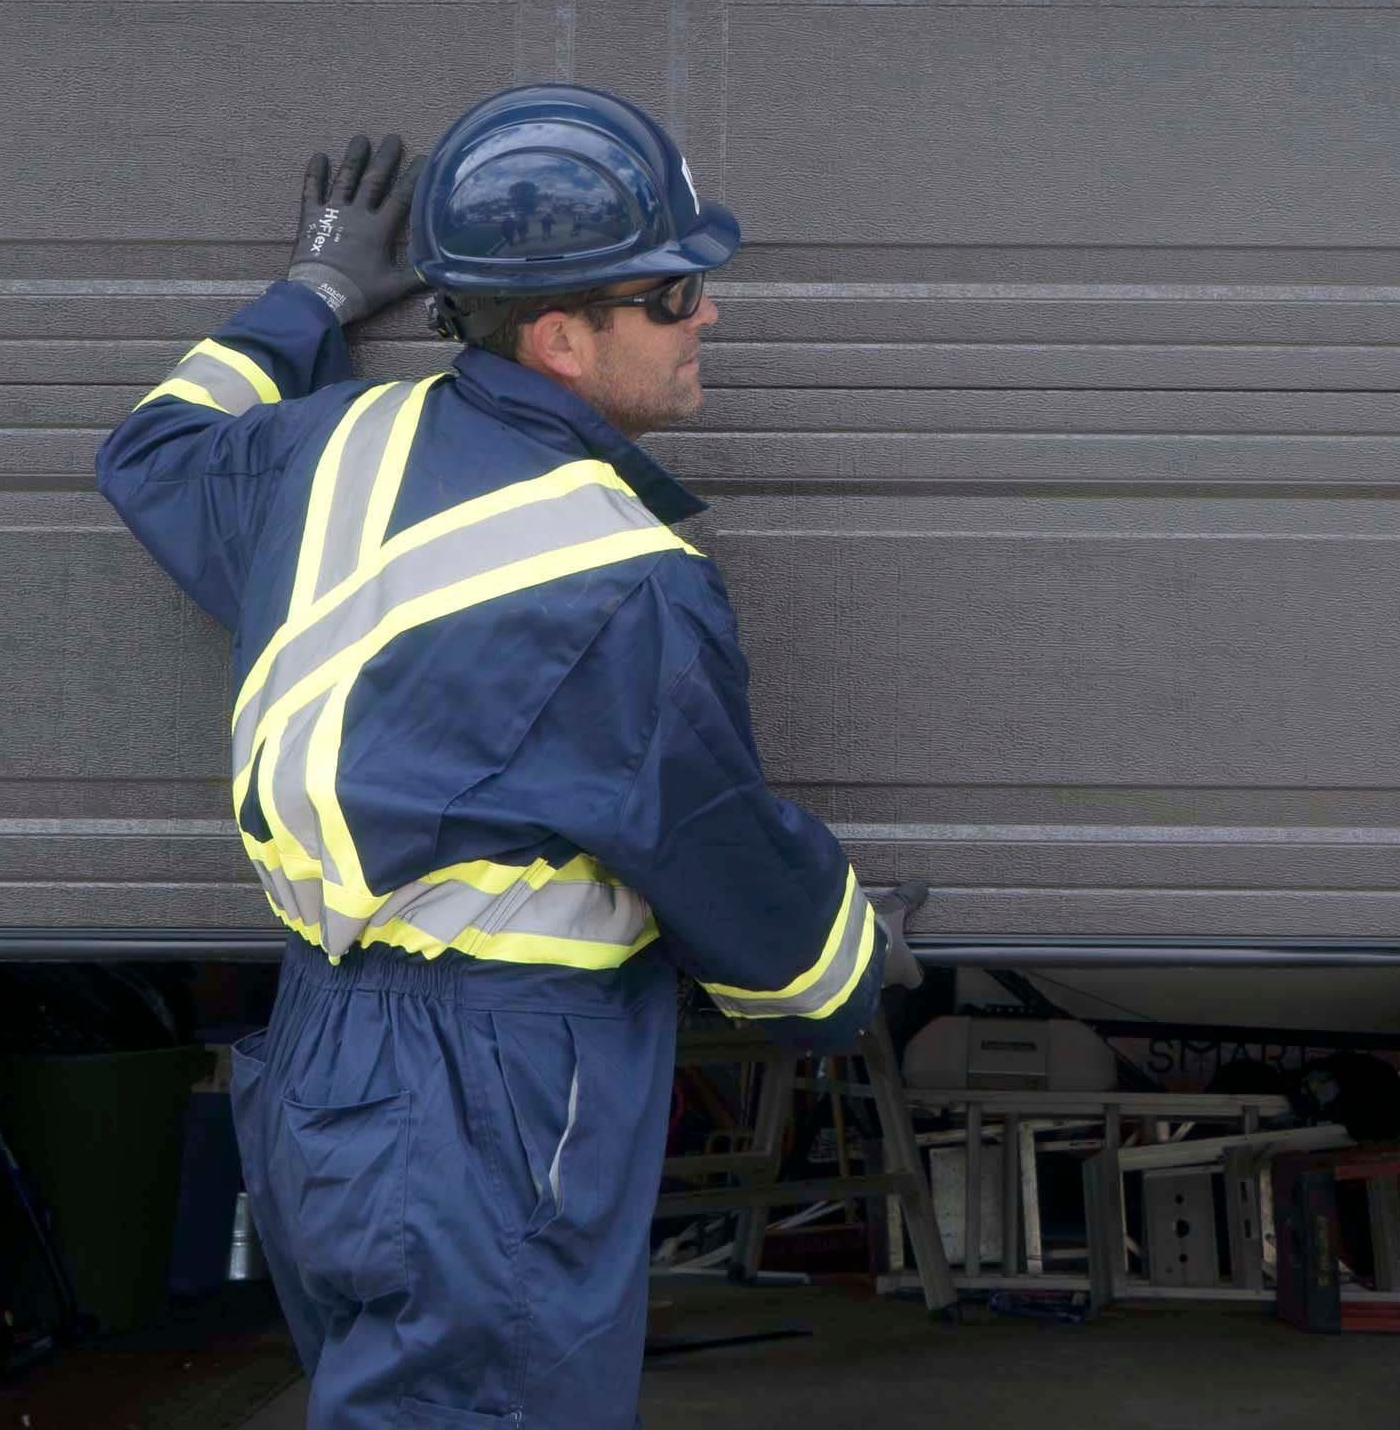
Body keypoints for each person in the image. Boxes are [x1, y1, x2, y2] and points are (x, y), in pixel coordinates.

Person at [97, 85, 918, 1430]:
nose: (705, 313)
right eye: (668, 295)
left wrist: (308, 291)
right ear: (558, 339)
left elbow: (157, 447)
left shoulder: (325, 450)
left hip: (322, 1061)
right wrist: (846, 964)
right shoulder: (624, 582)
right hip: (492, 1094)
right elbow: (712, 844)